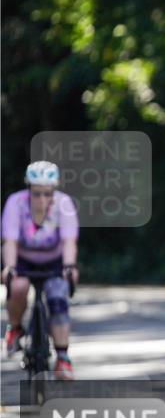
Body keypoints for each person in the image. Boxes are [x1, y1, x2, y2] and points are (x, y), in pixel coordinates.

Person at [1, 161, 80, 380]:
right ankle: (15, 328)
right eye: (36, 193)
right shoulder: (15, 203)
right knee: (18, 287)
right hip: (22, 260)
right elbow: (9, 242)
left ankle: (63, 357)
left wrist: (70, 266)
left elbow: (69, 241)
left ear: (54, 190)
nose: (42, 200)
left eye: (47, 194)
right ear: (29, 189)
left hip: (54, 260)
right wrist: (10, 267)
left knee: (57, 297)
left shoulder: (64, 204)